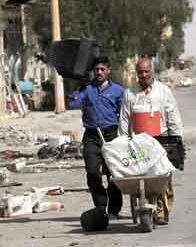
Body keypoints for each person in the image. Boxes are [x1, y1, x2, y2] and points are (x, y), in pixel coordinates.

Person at [119, 57, 184, 225]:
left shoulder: (163, 92)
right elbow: (125, 121)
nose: (143, 75)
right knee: (140, 177)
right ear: (137, 74)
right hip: (138, 142)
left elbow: (173, 118)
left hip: (161, 141)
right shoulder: (130, 94)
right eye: (140, 72)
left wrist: (178, 140)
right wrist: (123, 143)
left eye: (146, 71)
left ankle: (162, 210)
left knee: (163, 177)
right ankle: (143, 204)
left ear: (152, 71)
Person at [68, 56, 124, 219]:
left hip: (112, 135)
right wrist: (80, 85)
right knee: (92, 172)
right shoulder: (87, 89)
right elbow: (72, 103)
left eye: (102, 69)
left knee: (113, 173)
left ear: (108, 71)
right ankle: (100, 206)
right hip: (92, 136)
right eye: (96, 69)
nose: (99, 72)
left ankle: (114, 210)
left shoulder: (118, 91)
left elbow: (124, 114)